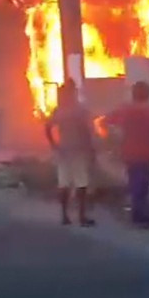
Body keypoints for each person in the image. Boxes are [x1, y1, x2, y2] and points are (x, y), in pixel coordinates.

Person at [102, 81, 149, 228]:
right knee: (143, 183)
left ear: (133, 94)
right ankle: (142, 214)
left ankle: (138, 214)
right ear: (148, 94)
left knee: (135, 182)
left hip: (129, 152)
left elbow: (104, 122)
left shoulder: (124, 109)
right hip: (148, 152)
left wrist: (114, 137)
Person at [43, 81, 96, 227]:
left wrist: (54, 145)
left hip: (63, 151)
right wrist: (91, 149)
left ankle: (64, 216)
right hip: (78, 150)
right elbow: (88, 131)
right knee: (81, 183)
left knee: (64, 183)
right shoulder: (80, 110)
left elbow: (47, 128)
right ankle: (82, 216)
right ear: (73, 92)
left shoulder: (59, 110)